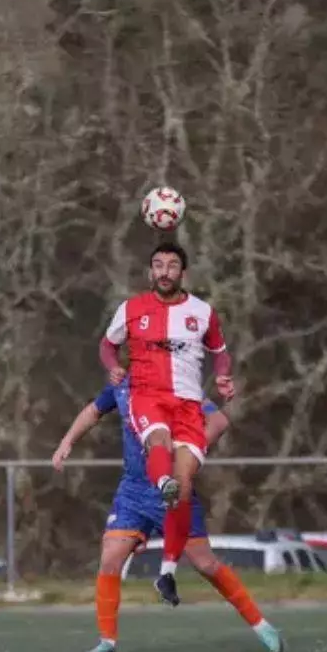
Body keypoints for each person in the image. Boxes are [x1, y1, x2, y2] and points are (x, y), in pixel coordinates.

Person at [52, 379, 285, 652]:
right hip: (133, 491)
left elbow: (218, 421)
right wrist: (67, 441)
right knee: (111, 556)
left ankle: (262, 626)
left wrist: (189, 453)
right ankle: (107, 641)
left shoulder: (178, 380)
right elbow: (93, 411)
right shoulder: (121, 384)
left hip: (173, 487)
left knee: (205, 563)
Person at [99, 242, 235, 606]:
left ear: (183, 273)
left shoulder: (202, 312)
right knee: (157, 441)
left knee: (185, 485)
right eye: (158, 265)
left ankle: (168, 574)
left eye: (172, 265)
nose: (164, 271)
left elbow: (220, 354)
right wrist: (113, 366)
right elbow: (107, 345)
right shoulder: (131, 309)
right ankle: (163, 482)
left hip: (188, 405)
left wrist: (223, 377)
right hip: (148, 396)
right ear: (150, 271)